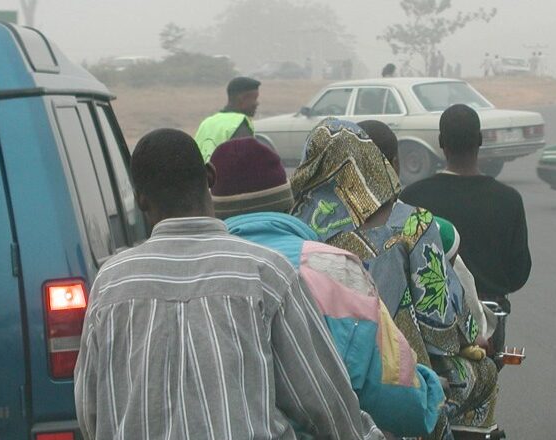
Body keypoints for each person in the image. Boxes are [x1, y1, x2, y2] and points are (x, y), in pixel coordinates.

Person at [73, 128, 383, 440]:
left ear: (140, 199)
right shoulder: (265, 274)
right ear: (210, 177)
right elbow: (324, 402)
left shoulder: (110, 285)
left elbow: (90, 411)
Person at [208, 137, 445, 437]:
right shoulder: (332, 267)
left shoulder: (191, 274)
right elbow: (389, 391)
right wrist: (429, 396)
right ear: (286, 200)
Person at [291, 119, 496, 439]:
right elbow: (440, 325)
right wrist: (471, 339)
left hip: (310, 385)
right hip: (393, 384)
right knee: (482, 374)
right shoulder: (412, 224)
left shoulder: (293, 228)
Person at [398, 104, 531, 363]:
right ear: (480, 141)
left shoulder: (413, 198)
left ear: (440, 142)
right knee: (484, 386)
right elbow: (519, 274)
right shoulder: (509, 200)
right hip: (490, 321)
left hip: (428, 322)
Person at [194, 77, 260, 162]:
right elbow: (246, 162)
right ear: (242, 99)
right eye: (255, 99)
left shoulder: (207, 123)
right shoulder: (239, 123)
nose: (257, 103)